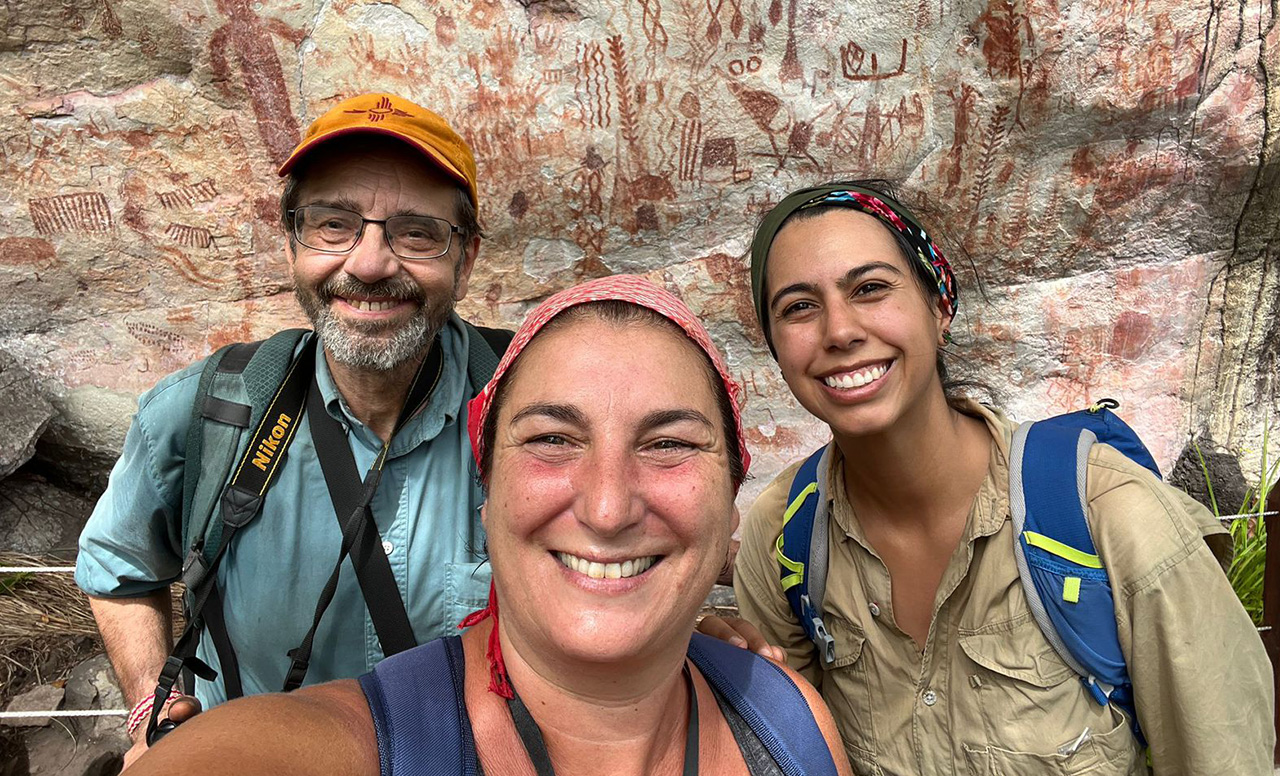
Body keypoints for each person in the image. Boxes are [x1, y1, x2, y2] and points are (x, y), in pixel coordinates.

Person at [125, 275, 853, 776]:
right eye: (551, 440)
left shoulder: (791, 727)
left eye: (668, 445)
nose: (607, 507)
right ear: (488, 495)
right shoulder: (352, 746)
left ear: (730, 502)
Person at [707, 180, 1274, 774]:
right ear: (775, 347)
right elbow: (793, 750)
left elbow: (1223, 755)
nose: (840, 331)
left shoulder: (1113, 514)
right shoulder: (786, 535)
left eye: (871, 288)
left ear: (939, 306)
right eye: (799, 307)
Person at [75, 93, 506, 767]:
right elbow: (118, 570)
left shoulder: (535, 416)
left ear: (467, 256)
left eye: (416, 233)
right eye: (333, 225)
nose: (368, 264)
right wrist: (149, 708)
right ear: (292, 242)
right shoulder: (207, 414)